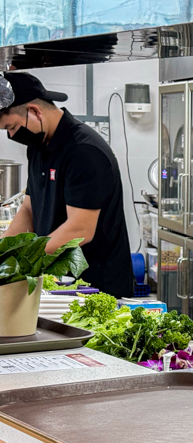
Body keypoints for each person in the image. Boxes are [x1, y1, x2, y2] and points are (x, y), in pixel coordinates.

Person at [0, 72, 134, 298]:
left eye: (10, 127)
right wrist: (4, 252)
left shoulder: (84, 151)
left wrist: (22, 261)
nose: (11, 135)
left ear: (34, 111)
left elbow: (79, 230)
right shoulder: (38, 145)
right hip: (59, 282)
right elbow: (28, 210)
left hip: (96, 286)